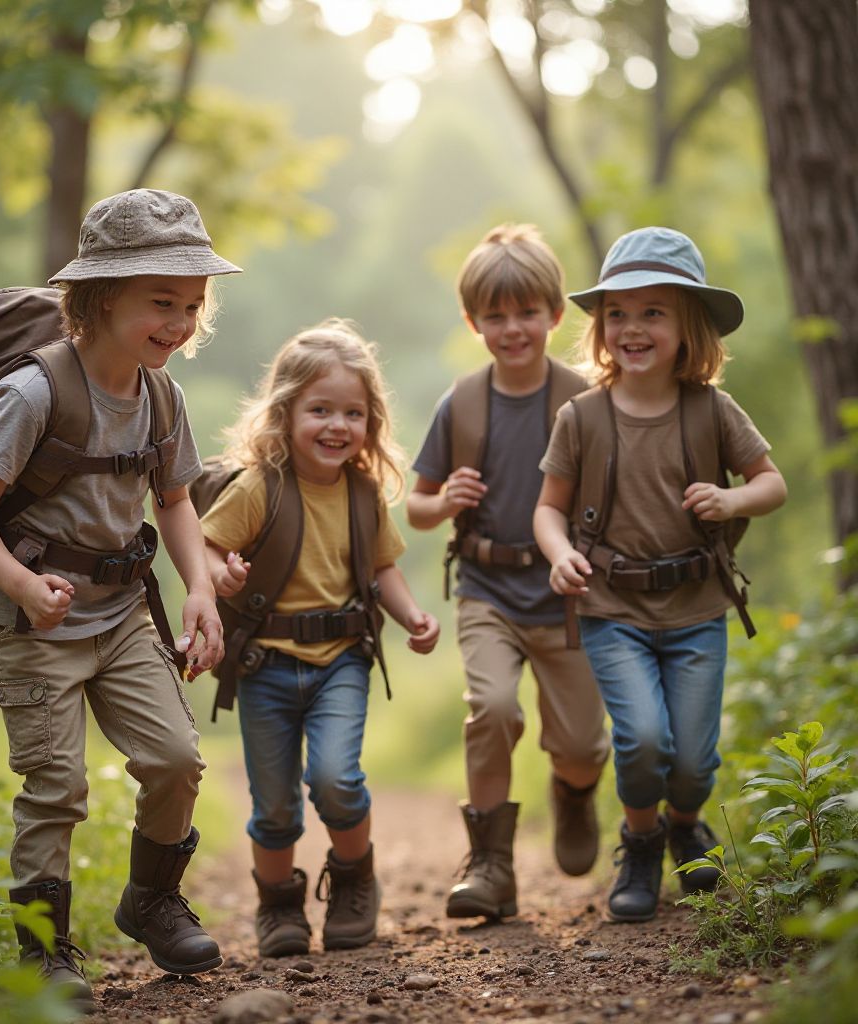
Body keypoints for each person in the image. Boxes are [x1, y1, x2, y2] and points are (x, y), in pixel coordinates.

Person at [0, 189, 241, 1007]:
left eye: (191, 304)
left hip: (117, 616)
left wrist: (200, 594)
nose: (179, 323)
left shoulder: (161, 396)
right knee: (57, 787)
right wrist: (19, 584)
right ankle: (43, 949)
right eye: (161, 302)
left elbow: (175, 501)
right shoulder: (33, 393)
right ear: (101, 296)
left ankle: (150, 899)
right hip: (29, 621)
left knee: (176, 760)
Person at [534, 225, 787, 923]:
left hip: (698, 608)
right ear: (600, 326)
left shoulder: (711, 410)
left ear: (688, 326)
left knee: (695, 759)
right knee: (644, 738)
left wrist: (732, 497)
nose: (632, 328)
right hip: (613, 608)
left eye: (653, 312)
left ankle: (685, 823)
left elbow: (772, 483)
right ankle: (640, 840)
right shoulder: (581, 416)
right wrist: (561, 554)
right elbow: (548, 511)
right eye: (618, 312)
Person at [200, 319, 440, 957]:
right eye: (320, 410)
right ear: (285, 414)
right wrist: (222, 573)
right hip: (265, 665)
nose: (338, 425)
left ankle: (356, 881)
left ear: (371, 422)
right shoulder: (259, 487)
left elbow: (384, 567)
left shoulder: (364, 494)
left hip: (341, 661)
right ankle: (279, 907)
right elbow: (205, 543)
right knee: (274, 805)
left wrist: (414, 616)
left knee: (337, 778)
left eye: (353, 413)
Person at [406, 224, 609, 921]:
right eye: (495, 315)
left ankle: (575, 791)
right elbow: (416, 507)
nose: (512, 328)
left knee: (581, 744)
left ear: (556, 314)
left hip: (569, 597)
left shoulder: (586, 401)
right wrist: (444, 501)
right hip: (488, 588)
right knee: (490, 710)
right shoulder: (462, 403)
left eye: (527, 312)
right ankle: (490, 864)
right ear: (474, 321)